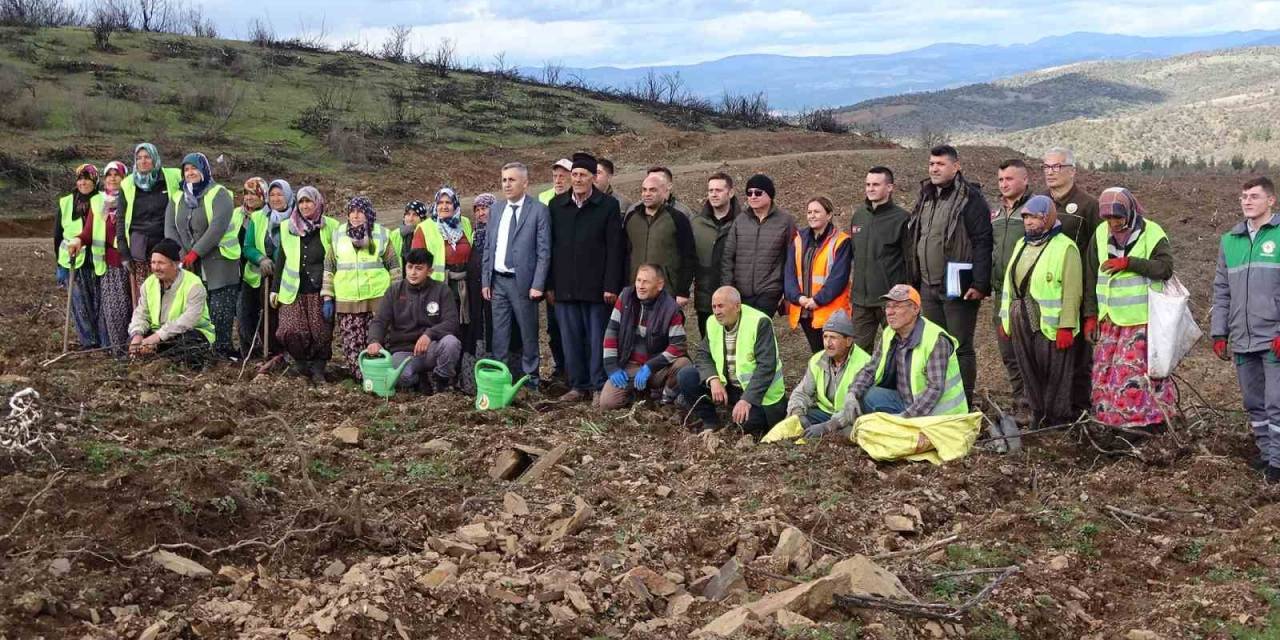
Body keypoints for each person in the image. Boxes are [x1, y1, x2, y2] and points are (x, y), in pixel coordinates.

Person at [907, 145, 992, 404]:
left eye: (940, 164)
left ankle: (963, 401)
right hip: (927, 286)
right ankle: (940, 399)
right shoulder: (926, 196)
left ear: (956, 166)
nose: (934, 168)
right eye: (931, 163)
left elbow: (983, 241)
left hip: (958, 286)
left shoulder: (971, 198)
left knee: (960, 346)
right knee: (935, 347)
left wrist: (979, 282)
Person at [1087, 187, 1176, 432]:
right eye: (1108, 218)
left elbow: (1165, 268)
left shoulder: (1152, 232)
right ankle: (1110, 424)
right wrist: (1090, 315)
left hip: (1141, 320)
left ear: (1130, 212)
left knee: (1133, 377)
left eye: (1118, 217)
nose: (1113, 223)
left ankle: (1144, 425)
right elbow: (1090, 276)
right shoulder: (1099, 234)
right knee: (1104, 375)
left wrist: (1130, 263)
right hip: (1110, 320)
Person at [1212, 176, 1280, 481]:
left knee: (1276, 402)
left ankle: (1278, 463)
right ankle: (1267, 456)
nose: (1247, 201)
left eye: (1254, 196)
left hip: (1273, 337)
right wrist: (1219, 332)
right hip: (1242, 338)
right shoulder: (1230, 241)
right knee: (1254, 403)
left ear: (1271, 201)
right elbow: (1222, 290)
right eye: (1243, 196)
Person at [997, 196, 1083, 427]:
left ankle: (1058, 422)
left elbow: (1073, 291)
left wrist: (1066, 326)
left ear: (1047, 218)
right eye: (1025, 217)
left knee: (1055, 375)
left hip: (1050, 324)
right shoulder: (1021, 244)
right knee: (1029, 370)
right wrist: (1006, 320)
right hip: (1020, 318)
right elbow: (1008, 285)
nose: (1029, 222)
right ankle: (1038, 417)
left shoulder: (1065, 247)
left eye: (1034, 217)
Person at [547, 152, 626, 402]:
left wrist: (611, 285)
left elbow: (615, 249)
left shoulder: (607, 206)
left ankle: (596, 385)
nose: (578, 179)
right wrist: (550, 285)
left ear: (593, 178)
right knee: (570, 339)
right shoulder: (557, 206)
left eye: (583, 175)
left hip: (596, 288)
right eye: (575, 175)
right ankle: (577, 385)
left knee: (596, 339)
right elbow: (549, 248)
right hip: (565, 286)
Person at [838, 284, 968, 423]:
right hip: (908, 401)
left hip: (940, 415)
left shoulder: (935, 339)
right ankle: (845, 421)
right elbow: (871, 369)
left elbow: (934, 389)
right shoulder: (889, 333)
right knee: (868, 395)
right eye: (888, 306)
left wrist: (904, 418)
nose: (890, 312)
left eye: (897, 306)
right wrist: (852, 393)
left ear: (915, 309)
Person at [1040, 147, 1100, 416]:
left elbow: (1095, 255)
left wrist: (1090, 308)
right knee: (1045, 356)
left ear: (1072, 171)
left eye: (1057, 167)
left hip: (1075, 295)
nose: (1051, 172)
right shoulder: (1039, 203)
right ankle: (1050, 408)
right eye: (1047, 167)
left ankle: (1079, 411)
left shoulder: (1088, 206)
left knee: (1078, 360)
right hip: (1043, 297)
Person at [678, 286, 786, 436]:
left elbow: (766, 367)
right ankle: (711, 422)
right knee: (686, 375)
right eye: (714, 307)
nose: (716, 311)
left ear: (737, 306)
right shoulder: (712, 322)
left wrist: (747, 400)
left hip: (760, 394)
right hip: (729, 386)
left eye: (721, 306)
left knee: (745, 425)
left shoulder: (759, 322)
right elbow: (703, 354)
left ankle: (742, 415)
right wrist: (713, 379)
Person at [482, 162, 551, 390]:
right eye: (504, 180)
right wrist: (486, 280)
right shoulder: (496, 210)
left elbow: (543, 251)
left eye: (511, 180)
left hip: (524, 284)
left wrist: (538, 284)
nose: (507, 184)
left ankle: (532, 380)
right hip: (498, 281)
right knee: (499, 334)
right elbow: (489, 248)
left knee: (529, 332)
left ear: (525, 182)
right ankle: (501, 378)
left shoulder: (538, 210)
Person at [165, 152, 240, 359]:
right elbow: (170, 228)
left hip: (219, 264)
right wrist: (182, 254)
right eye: (186, 170)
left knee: (220, 312)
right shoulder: (178, 197)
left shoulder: (219, 194)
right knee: (199, 311)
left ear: (204, 170)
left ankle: (223, 353)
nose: (190, 173)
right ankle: (203, 353)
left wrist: (195, 253)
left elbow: (217, 228)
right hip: (190, 264)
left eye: (194, 168)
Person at [325, 196, 400, 380]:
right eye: (352, 211)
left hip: (377, 300)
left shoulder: (381, 234)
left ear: (368, 213)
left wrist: (398, 297)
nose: (356, 215)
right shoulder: (338, 235)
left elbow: (395, 268)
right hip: (347, 301)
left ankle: (379, 377)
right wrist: (327, 296)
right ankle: (361, 379)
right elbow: (329, 267)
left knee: (378, 341)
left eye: (360, 211)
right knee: (352, 344)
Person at [367, 248, 462, 393]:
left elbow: (452, 322)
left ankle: (441, 382)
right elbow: (379, 320)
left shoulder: (442, 290)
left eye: (419, 268)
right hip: (403, 352)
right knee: (401, 377)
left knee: (451, 343)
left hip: (432, 349)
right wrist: (374, 341)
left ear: (429, 271)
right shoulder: (394, 291)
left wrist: (429, 334)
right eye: (409, 267)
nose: (412, 273)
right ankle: (420, 379)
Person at [599, 264, 691, 409]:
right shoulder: (625, 298)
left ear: (659, 285)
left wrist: (650, 366)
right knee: (607, 403)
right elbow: (611, 332)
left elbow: (678, 345)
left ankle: (666, 399)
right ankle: (637, 393)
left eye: (646, 282)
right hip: (630, 365)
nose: (640, 286)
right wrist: (612, 367)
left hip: (656, 367)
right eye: (638, 280)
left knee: (683, 365)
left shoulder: (670, 308)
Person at [271, 186, 338, 383]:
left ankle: (318, 368)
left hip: (320, 291)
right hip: (293, 291)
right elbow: (281, 259)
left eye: (309, 201)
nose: (305, 205)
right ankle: (300, 362)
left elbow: (337, 259)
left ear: (317, 203)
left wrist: (333, 293)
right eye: (301, 201)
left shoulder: (330, 226)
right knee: (289, 330)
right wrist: (275, 289)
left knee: (321, 332)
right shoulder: (287, 227)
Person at [68, 161, 132, 356]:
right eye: (109, 175)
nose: (112, 178)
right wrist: (78, 240)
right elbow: (88, 231)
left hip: (126, 262)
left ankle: (128, 348)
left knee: (127, 308)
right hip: (106, 265)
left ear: (124, 178)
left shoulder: (130, 199)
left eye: (117, 175)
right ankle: (116, 349)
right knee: (111, 311)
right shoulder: (98, 202)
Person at [848, 166, 911, 353]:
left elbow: (910, 260)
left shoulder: (902, 219)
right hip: (861, 301)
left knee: (897, 350)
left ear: (890, 187)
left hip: (891, 300)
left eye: (876, 184)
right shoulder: (859, 216)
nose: (870, 188)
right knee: (858, 353)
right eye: (868, 184)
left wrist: (906, 295)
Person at [127, 238, 215, 367]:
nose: (156, 267)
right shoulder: (149, 283)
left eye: (161, 263)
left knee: (186, 345)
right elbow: (141, 313)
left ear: (175, 264)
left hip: (188, 332)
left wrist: (158, 337)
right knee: (132, 342)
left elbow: (188, 320)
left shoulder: (194, 284)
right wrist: (137, 334)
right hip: (159, 334)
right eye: (153, 262)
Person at [990, 159, 1033, 421]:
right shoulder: (997, 214)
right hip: (1000, 294)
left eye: (1010, 179)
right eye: (1001, 180)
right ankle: (1021, 402)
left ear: (1025, 180)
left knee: (1028, 352)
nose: (1004, 184)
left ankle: (1034, 402)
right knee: (1008, 353)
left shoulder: (1034, 209)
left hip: (1027, 295)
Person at [787, 310, 872, 440]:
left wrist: (828, 426)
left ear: (848, 341)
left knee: (856, 430)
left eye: (833, 338)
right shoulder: (817, 359)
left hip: (850, 416)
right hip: (825, 413)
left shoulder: (864, 363)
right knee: (794, 420)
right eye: (825, 337)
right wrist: (798, 414)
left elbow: (858, 406)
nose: (828, 343)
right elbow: (802, 392)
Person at [412, 187, 477, 353]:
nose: (444, 206)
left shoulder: (465, 223)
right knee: (443, 327)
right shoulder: (425, 228)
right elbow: (416, 261)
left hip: (465, 286)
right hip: (439, 287)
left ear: (455, 205)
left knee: (466, 327)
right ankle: (443, 370)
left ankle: (465, 368)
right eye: (440, 202)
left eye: (448, 202)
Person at [720, 173, 795, 315]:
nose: (753, 196)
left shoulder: (785, 222)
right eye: (749, 193)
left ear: (770, 195)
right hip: (740, 292)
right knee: (743, 334)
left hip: (769, 291)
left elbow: (791, 260)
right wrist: (728, 289)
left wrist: (787, 293)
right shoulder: (740, 221)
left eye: (758, 192)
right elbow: (728, 257)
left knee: (758, 330)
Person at [784, 196, 852, 352]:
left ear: (829, 215)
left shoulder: (841, 241)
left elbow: (838, 278)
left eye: (817, 212)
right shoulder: (798, 239)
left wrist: (817, 300)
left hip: (830, 312)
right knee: (818, 354)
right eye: (809, 212)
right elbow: (789, 274)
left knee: (835, 356)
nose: (812, 215)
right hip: (805, 311)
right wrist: (799, 298)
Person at [119, 143, 183, 302]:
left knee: (170, 292)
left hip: (166, 244)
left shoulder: (172, 176)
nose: (143, 161)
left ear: (155, 158)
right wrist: (124, 252)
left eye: (147, 157)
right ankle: (146, 326)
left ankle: (168, 327)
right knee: (145, 294)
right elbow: (121, 219)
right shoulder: (127, 184)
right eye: (139, 158)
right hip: (140, 247)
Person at [622, 172, 696, 307]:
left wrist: (683, 291)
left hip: (666, 291)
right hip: (635, 289)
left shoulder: (678, 219)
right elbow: (624, 253)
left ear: (664, 192)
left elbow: (688, 256)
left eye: (653, 190)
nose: (647, 194)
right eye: (644, 190)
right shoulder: (631, 218)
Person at [55, 163, 101, 349]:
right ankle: (88, 342)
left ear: (95, 181)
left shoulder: (101, 200)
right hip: (72, 259)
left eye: (87, 179)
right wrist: (58, 264)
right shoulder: (67, 202)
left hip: (96, 258)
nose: (83, 183)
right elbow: (58, 235)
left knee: (96, 302)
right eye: (80, 179)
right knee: (78, 302)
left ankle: (100, 338)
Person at [692, 172, 739, 334]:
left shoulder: (743, 223)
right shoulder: (697, 224)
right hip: (705, 300)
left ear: (730, 193)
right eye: (710, 190)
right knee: (709, 345)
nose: (713, 194)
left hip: (735, 298)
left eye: (718, 190)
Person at [537, 158, 571, 377]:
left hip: (573, 277)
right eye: (555, 176)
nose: (558, 180)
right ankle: (560, 368)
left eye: (562, 176)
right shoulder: (544, 200)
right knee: (554, 328)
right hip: (553, 276)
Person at [236, 177, 275, 358]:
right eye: (246, 193)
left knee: (265, 317)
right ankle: (248, 353)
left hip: (264, 274)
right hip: (241, 272)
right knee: (243, 316)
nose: (249, 197)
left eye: (254, 193)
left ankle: (266, 350)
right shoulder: (237, 214)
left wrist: (262, 259)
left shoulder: (268, 217)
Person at [466, 193, 497, 354]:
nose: (481, 213)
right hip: (476, 290)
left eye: (484, 208)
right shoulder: (475, 234)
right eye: (477, 210)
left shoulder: (500, 232)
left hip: (496, 290)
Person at [399, 200, 429, 266]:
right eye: (408, 214)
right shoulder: (395, 235)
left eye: (415, 215)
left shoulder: (427, 235)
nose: (410, 218)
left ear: (422, 219)